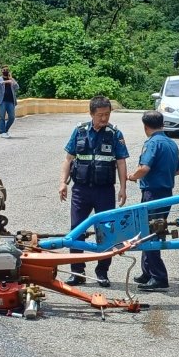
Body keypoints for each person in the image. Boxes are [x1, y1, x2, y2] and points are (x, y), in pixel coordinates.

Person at [58, 95, 129, 287]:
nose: (104, 119)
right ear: (91, 114)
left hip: (104, 191)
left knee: (106, 232)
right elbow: (68, 159)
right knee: (76, 230)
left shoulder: (114, 134)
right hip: (81, 190)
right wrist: (63, 183)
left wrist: (123, 188)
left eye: (107, 115)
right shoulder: (79, 131)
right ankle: (77, 272)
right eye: (100, 115)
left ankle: (102, 273)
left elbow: (121, 162)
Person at [127, 110, 179, 290]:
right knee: (150, 230)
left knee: (151, 232)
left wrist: (132, 176)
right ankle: (147, 272)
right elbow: (178, 171)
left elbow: (144, 168)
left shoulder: (152, 144)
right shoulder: (171, 143)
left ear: (145, 126)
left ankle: (159, 277)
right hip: (166, 192)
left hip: (153, 194)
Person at [0, 66, 19, 138]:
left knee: (12, 117)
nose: (5, 71)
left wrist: (11, 79)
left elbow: (17, 87)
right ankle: (2, 132)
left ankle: (5, 130)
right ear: (1, 71)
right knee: (2, 117)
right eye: (4, 70)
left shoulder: (11, 79)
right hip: (2, 101)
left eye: (7, 70)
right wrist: (5, 81)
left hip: (11, 101)